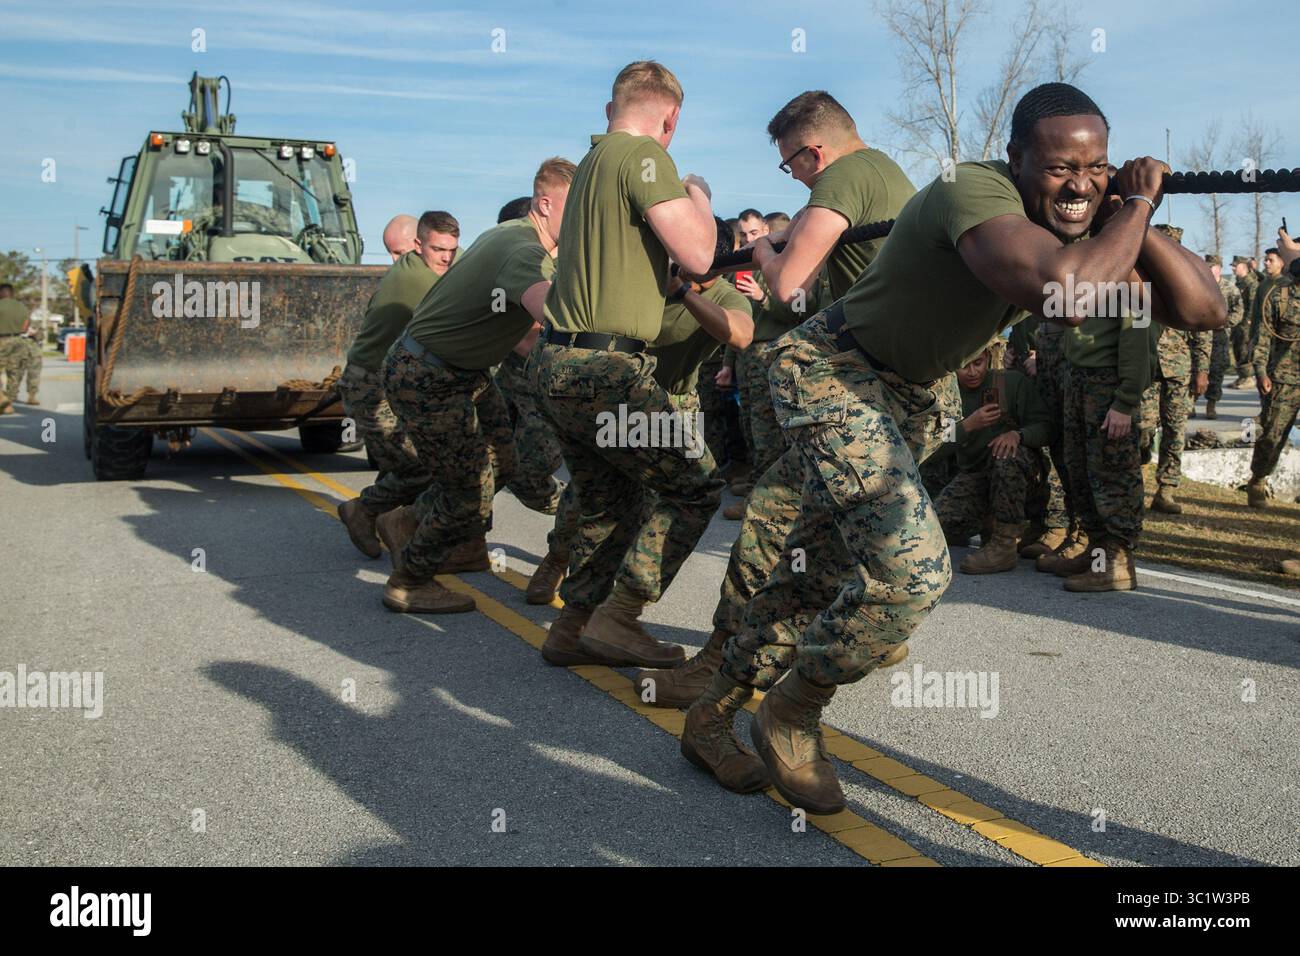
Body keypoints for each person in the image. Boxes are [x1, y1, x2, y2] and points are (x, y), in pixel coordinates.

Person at [678, 83, 1223, 810]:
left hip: (902, 394)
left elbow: (1203, 309)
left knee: (817, 569)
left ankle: (710, 717)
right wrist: (1133, 206)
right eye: (1061, 167)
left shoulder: (1084, 226)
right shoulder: (976, 191)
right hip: (833, 371)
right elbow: (1067, 288)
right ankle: (792, 710)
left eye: (1097, 167)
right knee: (913, 574)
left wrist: (1135, 209)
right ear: (1017, 161)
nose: (1079, 184)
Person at [532, 61, 723, 671]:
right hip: (604, 370)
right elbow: (698, 252)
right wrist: (697, 196)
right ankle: (620, 619)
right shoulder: (644, 157)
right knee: (695, 485)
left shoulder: (591, 164)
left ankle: (573, 626)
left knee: (608, 501)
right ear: (669, 117)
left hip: (559, 361)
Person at [378, 158, 572, 613]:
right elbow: (552, 314)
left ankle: (407, 521)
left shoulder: (508, 236)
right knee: (469, 490)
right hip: (430, 375)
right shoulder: (523, 250)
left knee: (503, 463)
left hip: (464, 373)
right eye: (575, 205)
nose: (584, 214)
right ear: (545, 204)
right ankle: (409, 579)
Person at [335, 211, 459, 559]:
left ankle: (392, 525)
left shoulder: (431, 261)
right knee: (419, 466)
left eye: (450, 250)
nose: (394, 261)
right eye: (391, 253)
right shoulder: (417, 280)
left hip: (394, 382)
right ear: (419, 246)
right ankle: (365, 511)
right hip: (371, 387)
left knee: (403, 462)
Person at [491, 180, 583, 605]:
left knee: (542, 476)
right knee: (491, 465)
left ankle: (564, 554)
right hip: (517, 386)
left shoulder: (566, 269)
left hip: (559, 390)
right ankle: (460, 535)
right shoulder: (516, 267)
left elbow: (536, 335)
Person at [931, 342, 1058, 573]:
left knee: (1006, 455)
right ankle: (986, 522)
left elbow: (1047, 427)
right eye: (964, 366)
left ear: (988, 358)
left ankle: (1005, 544)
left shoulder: (1010, 382)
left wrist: (1018, 435)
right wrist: (967, 426)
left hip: (1023, 479)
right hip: (977, 479)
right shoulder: (947, 397)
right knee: (935, 527)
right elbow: (935, 446)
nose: (972, 372)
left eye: (978, 363)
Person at [1136, 224, 1209, 516]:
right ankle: (1137, 480)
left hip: (1179, 368)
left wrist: (1202, 370)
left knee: (1175, 430)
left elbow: (1204, 330)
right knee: (1141, 428)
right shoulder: (1138, 279)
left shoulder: (1189, 281)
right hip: (1147, 367)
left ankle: (1166, 489)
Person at [1243, 230, 1300, 509]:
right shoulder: (1279, 295)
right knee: (1272, 434)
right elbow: (1263, 337)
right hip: (1284, 378)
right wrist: (1261, 371)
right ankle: (1258, 480)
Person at [1199, 253, 1244, 418]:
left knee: (1216, 373)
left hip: (1220, 337)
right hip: (1200, 335)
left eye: (1213, 267)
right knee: (1195, 370)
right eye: (1207, 266)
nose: (1210, 270)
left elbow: (1239, 311)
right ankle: (1189, 404)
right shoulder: (1199, 286)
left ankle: (1211, 405)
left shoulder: (1230, 288)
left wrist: (1225, 323)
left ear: (1219, 268)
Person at [0, 283, 31, 414]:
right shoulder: (21, 307)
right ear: (11, 293)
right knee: (14, 373)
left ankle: (1, 397)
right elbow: (25, 327)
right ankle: (9, 403)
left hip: (1, 340)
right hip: (18, 341)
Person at [1231, 255, 1261, 389]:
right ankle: (1242, 376)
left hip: (1246, 322)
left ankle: (1248, 377)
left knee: (1245, 348)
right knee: (1237, 347)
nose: (1232, 268)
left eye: (1235, 266)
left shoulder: (1251, 283)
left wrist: (1248, 321)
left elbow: (1253, 304)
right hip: (1238, 321)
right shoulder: (1239, 282)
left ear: (1243, 267)